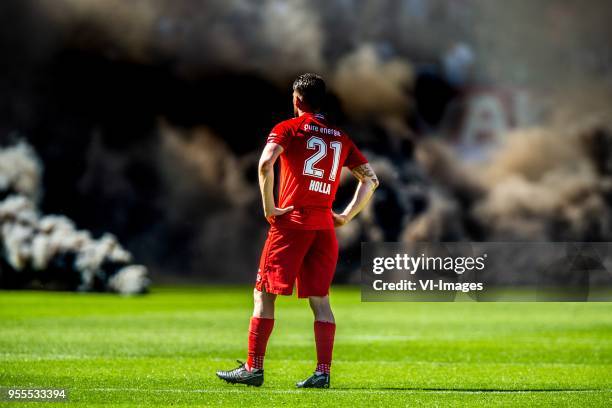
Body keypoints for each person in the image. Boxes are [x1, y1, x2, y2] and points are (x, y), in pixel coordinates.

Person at [216, 73, 378, 388]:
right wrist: (345, 215)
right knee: (320, 300)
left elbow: (265, 164)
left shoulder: (288, 129)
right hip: (324, 227)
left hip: (292, 223)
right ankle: (323, 373)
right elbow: (371, 179)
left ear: (297, 99)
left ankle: (254, 367)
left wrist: (269, 207)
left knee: (263, 294)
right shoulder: (340, 138)